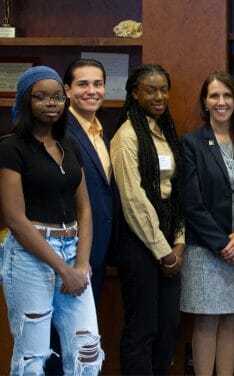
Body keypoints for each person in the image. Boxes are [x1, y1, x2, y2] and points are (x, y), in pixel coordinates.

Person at [0, 66, 104, 375]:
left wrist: (81, 265)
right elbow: (15, 220)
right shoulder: (10, 148)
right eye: (41, 97)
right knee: (33, 359)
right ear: (25, 101)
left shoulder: (69, 145)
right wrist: (63, 271)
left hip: (73, 253)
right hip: (29, 257)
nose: (51, 103)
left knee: (87, 353)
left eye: (58, 96)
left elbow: (84, 208)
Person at [180, 70, 234, 375]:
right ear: (205, 102)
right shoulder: (192, 143)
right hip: (206, 249)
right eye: (214, 96)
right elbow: (192, 203)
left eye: (226, 95)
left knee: (232, 318)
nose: (221, 102)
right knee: (207, 320)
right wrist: (223, 242)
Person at [110, 64, 185, 375]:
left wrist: (178, 243)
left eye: (163, 89)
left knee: (168, 327)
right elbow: (133, 200)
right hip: (139, 243)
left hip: (169, 242)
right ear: (134, 94)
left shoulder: (165, 130)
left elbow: (177, 192)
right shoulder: (126, 136)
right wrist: (162, 249)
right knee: (143, 328)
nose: (159, 96)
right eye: (150, 90)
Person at [63, 58, 114, 305]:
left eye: (98, 84)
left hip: (99, 249)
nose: (92, 91)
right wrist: (77, 259)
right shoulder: (61, 133)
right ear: (67, 90)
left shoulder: (102, 134)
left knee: (84, 336)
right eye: (83, 84)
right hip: (71, 254)